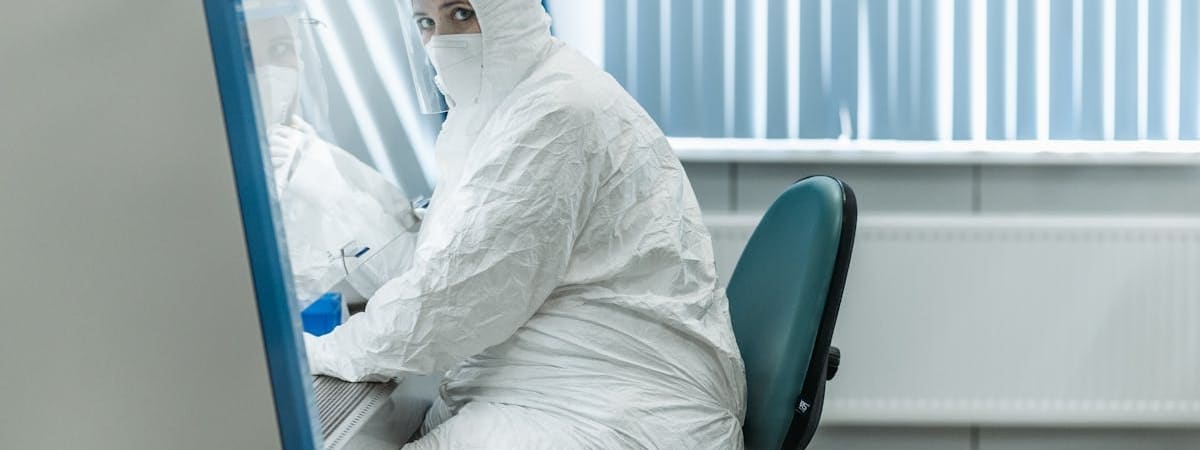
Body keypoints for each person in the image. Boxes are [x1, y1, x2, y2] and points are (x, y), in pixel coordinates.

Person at [303, 0, 748, 447]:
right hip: (567, 384)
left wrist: (319, 352)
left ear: (508, 10)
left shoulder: (555, 112)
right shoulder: (499, 111)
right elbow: (445, 260)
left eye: (461, 13)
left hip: (621, 406)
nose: (442, 41)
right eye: (425, 22)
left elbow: (460, 295)